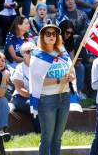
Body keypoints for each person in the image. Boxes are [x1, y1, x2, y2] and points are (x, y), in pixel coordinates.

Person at [29, 24, 75, 155]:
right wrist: (59, 80)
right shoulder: (37, 56)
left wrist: (71, 76)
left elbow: (71, 71)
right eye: (48, 34)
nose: (51, 36)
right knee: (47, 138)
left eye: (54, 34)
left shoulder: (62, 51)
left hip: (64, 97)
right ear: (42, 37)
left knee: (57, 139)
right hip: (47, 100)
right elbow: (38, 81)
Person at [11, 42, 40, 133]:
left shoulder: (41, 66)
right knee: (36, 106)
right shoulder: (20, 68)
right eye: (28, 52)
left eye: (33, 51)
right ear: (23, 54)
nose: (31, 53)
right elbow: (19, 89)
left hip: (39, 96)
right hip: (20, 97)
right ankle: (41, 133)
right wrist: (34, 96)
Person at [59, 20, 86, 99]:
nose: (69, 35)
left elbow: (71, 56)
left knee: (80, 67)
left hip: (67, 64)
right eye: (67, 32)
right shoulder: (55, 39)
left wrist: (75, 62)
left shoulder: (70, 40)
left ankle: (77, 91)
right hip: (58, 64)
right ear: (62, 30)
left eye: (71, 33)